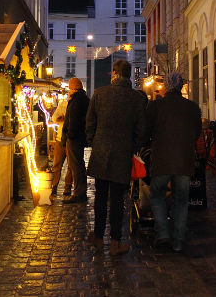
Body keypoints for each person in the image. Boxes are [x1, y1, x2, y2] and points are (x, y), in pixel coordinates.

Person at [86, 60, 146, 255]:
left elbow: (90, 123)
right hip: (122, 153)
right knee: (118, 200)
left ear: (114, 74)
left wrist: (94, 142)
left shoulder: (99, 94)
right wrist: (132, 147)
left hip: (101, 151)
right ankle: (115, 242)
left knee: (101, 197)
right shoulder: (136, 99)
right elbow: (140, 130)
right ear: (128, 75)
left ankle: (97, 237)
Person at [146, 72, 202, 252]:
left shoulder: (155, 106)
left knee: (157, 196)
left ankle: (163, 234)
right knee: (181, 200)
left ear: (167, 87)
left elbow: (146, 131)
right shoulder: (192, 108)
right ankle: (178, 241)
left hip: (161, 160)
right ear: (181, 87)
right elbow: (197, 132)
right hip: (184, 161)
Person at [61, 77, 90, 204]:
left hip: (75, 138)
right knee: (78, 164)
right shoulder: (83, 99)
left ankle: (79, 193)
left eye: (69, 88)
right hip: (79, 137)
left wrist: (69, 135)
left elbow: (73, 120)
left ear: (73, 88)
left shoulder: (77, 100)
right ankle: (80, 191)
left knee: (76, 165)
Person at [50, 97, 73, 197]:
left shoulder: (77, 105)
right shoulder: (63, 104)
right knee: (57, 164)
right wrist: (59, 118)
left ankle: (67, 188)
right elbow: (54, 117)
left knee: (70, 166)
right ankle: (54, 186)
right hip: (60, 138)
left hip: (71, 139)